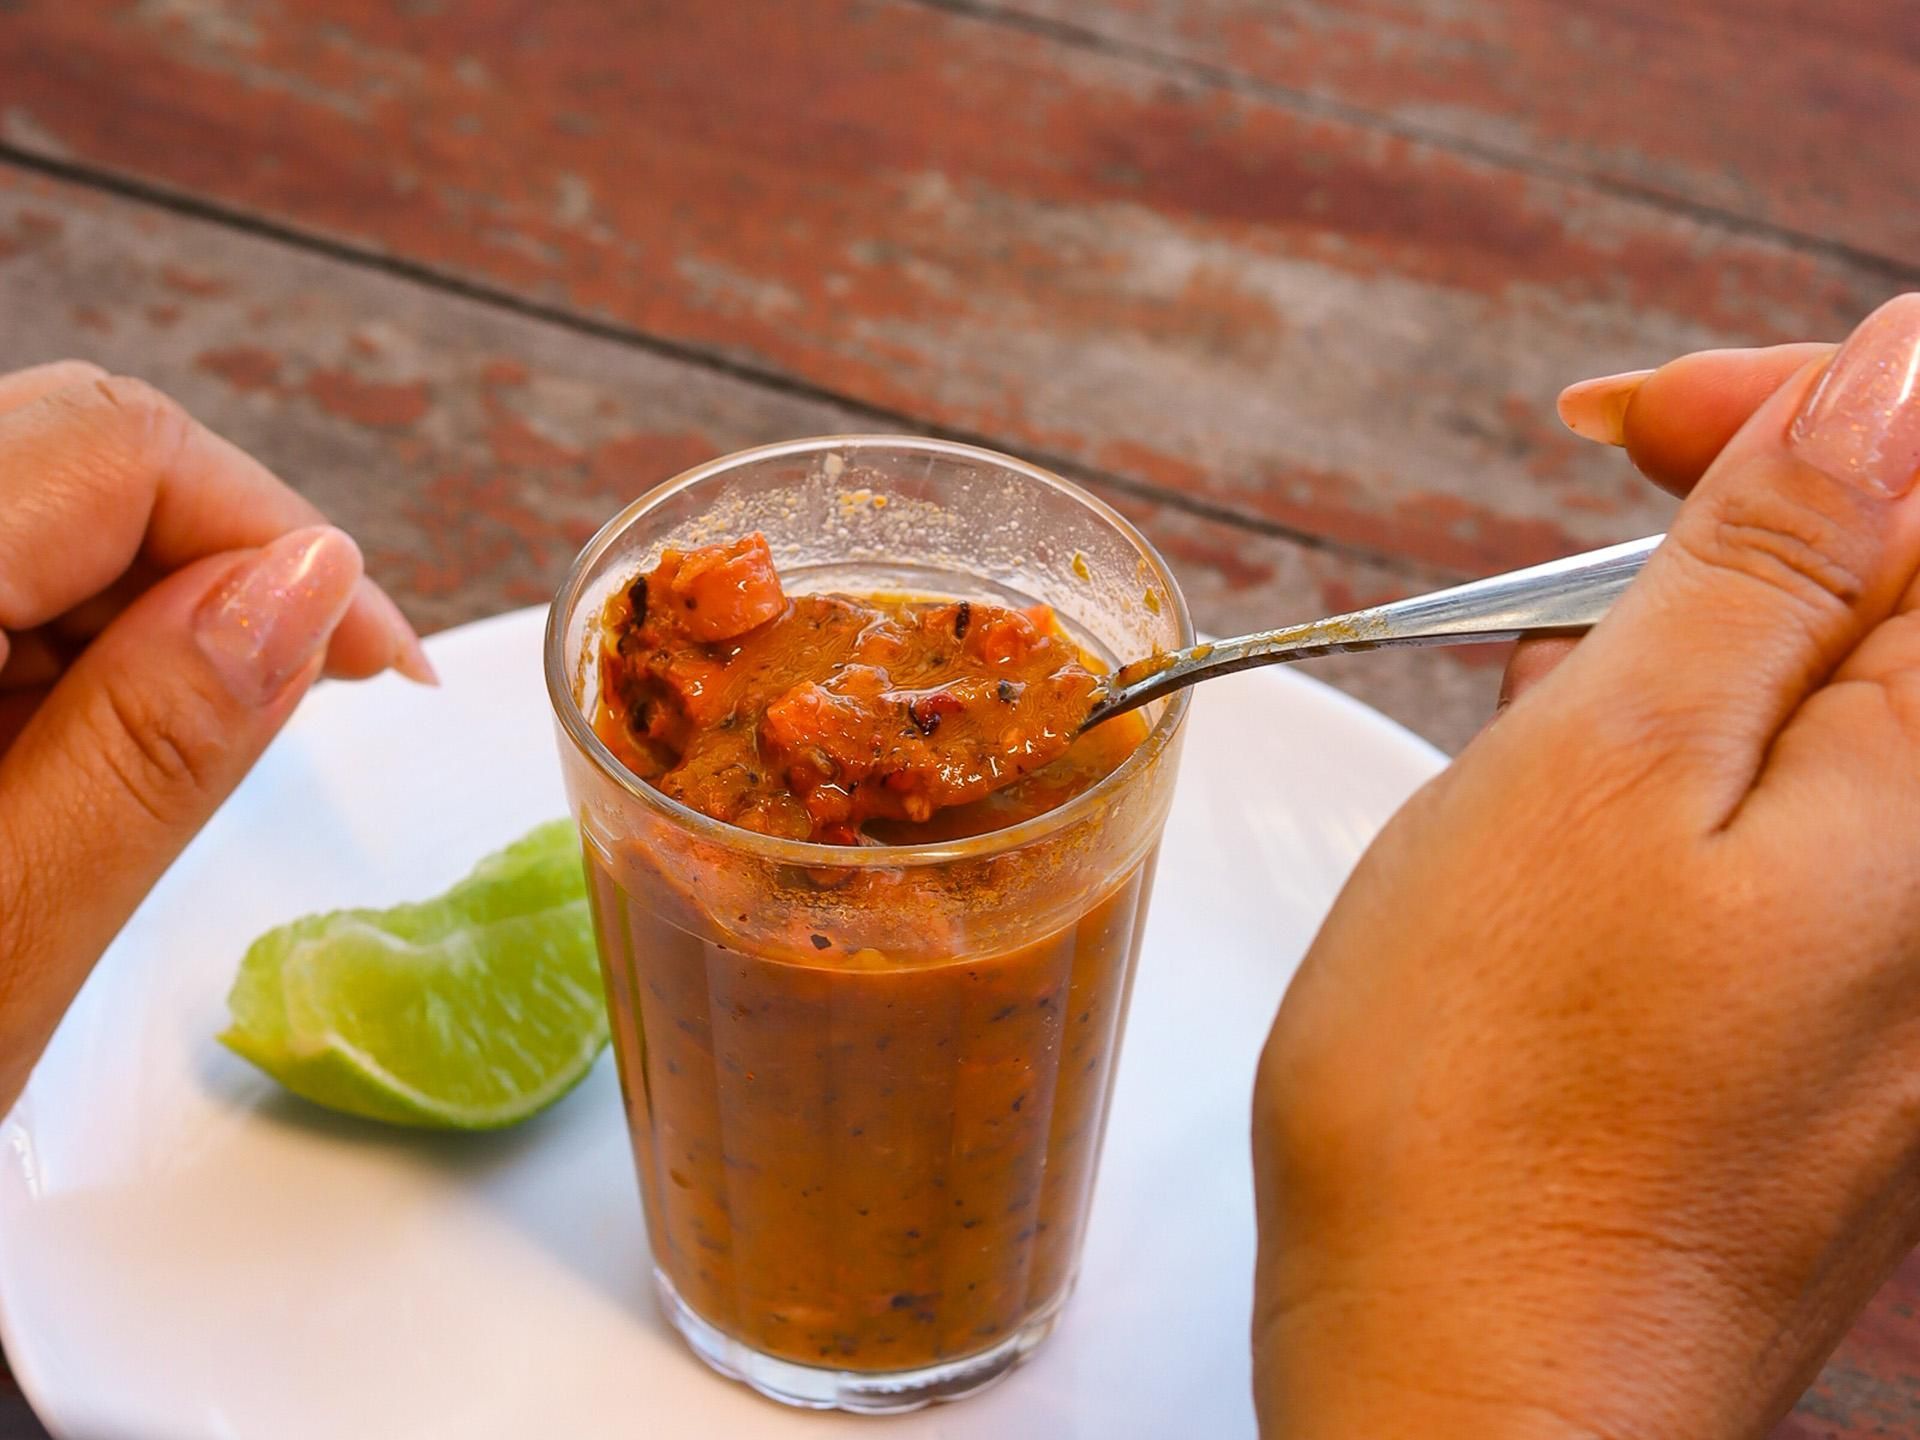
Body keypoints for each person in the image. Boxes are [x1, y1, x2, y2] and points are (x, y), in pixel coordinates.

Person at [0, 293, 1913, 1438]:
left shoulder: (1101, 739)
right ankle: (766, 1321)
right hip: (727, 1263)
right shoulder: (652, 726)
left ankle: (972, 1324)